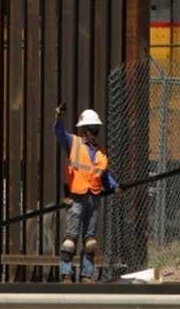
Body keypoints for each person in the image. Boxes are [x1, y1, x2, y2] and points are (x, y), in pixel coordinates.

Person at [54, 105, 121, 284]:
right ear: (84, 130)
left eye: (95, 129)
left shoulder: (100, 153)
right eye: (92, 128)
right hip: (76, 197)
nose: (93, 132)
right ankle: (66, 274)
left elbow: (103, 175)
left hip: (94, 198)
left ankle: (86, 275)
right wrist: (59, 118)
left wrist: (114, 186)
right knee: (70, 240)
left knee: (90, 241)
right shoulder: (73, 142)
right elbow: (59, 133)